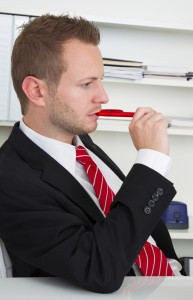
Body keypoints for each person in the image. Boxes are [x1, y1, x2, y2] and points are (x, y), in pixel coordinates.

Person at [0, 14, 184, 293]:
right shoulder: (9, 179)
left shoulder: (84, 143)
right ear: (36, 91)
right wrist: (151, 164)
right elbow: (98, 269)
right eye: (87, 84)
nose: (103, 97)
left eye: (100, 80)